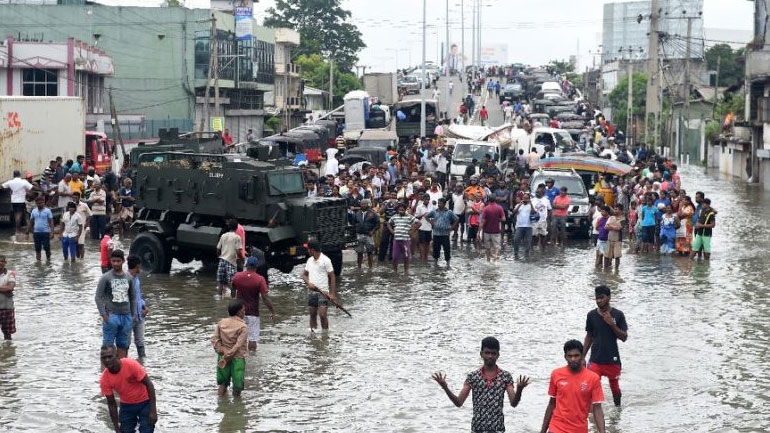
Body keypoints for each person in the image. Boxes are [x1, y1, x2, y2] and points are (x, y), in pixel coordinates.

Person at [432, 337, 530, 432]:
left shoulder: (505, 376)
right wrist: (445, 387)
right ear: (481, 354)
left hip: (497, 429)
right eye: (487, 353)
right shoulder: (473, 377)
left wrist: (520, 389)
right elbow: (459, 402)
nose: (490, 356)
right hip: (477, 428)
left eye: (493, 353)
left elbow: (513, 403)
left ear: (498, 355)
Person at [540, 340, 606, 433]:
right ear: (565, 357)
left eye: (576, 356)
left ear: (582, 356)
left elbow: (597, 408)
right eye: (569, 356)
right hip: (557, 427)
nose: (573, 359)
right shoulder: (556, 374)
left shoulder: (593, 378)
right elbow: (552, 404)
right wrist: (543, 431)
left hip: (579, 429)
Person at [582, 285, 628, 407]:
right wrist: (582, 356)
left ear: (609, 297)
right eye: (597, 298)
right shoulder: (591, 315)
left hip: (612, 360)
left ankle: (617, 415)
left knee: (615, 388)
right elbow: (589, 336)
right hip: (595, 360)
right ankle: (593, 415)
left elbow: (624, 337)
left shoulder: (618, 315)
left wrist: (612, 324)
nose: (599, 301)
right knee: (591, 387)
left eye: (601, 298)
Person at [100, 344, 158, 433]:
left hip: (145, 402)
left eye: (110, 356)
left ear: (117, 356)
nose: (107, 360)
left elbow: (149, 384)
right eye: (104, 358)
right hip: (126, 405)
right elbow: (111, 404)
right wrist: (116, 428)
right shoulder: (104, 378)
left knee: (146, 430)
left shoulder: (131, 364)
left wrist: (153, 411)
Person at [96, 250, 137, 360]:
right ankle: (104, 374)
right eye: (113, 261)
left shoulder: (129, 277)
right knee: (107, 347)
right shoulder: (105, 277)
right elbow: (98, 297)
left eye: (118, 261)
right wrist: (104, 314)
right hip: (111, 315)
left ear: (123, 261)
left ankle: (121, 372)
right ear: (110, 261)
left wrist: (134, 314)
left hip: (126, 316)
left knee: (123, 345)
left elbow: (133, 297)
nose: (115, 264)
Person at [233, 256, 276, 351]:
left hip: (238, 313)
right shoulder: (260, 279)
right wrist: (272, 311)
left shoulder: (237, 276)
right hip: (253, 313)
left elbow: (232, 293)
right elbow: (265, 298)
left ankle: (240, 358)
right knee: (252, 340)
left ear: (246, 265)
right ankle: (252, 362)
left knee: (238, 338)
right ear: (257, 267)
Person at [211, 299, 248, 397]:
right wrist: (230, 353)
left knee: (223, 383)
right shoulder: (243, 327)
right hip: (237, 358)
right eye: (244, 310)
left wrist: (222, 350)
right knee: (237, 386)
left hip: (222, 357)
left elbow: (215, 338)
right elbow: (239, 344)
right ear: (239, 312)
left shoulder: (221, 323)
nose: (245, 312)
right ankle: (236, 409)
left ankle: (221, 403)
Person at [302, 240, 337, 332]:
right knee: (312, 314)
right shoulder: (309, 260)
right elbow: (304, 275)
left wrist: (332, 294)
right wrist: (308, 283)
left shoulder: (326, 260)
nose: (307, 251)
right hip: (312, 291)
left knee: (322, 315)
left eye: (308, 249)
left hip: (323, 292)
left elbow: (332, 276)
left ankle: (325, 335)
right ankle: (313, 333)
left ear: (312, 250)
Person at [126, 255, 149, 359]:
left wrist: (144, 307)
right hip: (129, 316)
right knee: (126, 342)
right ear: (137, 266)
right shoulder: (125, 279)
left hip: (140, 315)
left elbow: (138, 296)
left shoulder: (136, 279)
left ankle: (142, 362)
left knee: (140, 341)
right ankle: (124, 362)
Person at [388, 203, 420, 274]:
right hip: (396, 240)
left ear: (405, 210)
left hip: (405, 240)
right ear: (397, 210)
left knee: (406, 257)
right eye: (399, 210)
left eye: (402, 210)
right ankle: (395, 271)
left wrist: (412, 231)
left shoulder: (409, 217)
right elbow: (389, 223)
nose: (401, 211)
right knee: (395, 257)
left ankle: (406, 271)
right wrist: (392, 231)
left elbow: (419, 223)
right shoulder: (394, 217)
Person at [426, 198, 459, 266]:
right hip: (436, 234)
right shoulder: (434, 211)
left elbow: (457, 219)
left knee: (447, 249)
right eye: (438, 203)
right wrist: (431, 222)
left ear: (444, 204)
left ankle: (448, 263)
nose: (439, 204)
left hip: (445, 234)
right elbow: (426, 216)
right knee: (436, 249)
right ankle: (435, 262)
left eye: (440, 203)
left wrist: (452, 227)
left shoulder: (449, 212)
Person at [216, 219, 242, 296]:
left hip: (222, 261)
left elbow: (218, 249)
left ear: (228, 226)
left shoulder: (223, 235)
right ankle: (233, 300)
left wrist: (219, 257)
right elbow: (238, 251)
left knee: (221, 283)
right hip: (231, 262)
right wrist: (241, 260)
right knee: (232, 284)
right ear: (237, 227)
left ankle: (220, 298)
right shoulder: (237, 237)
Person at [3, 170, 33, 235]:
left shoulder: (10, 182)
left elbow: (2, 186)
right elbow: (32, 187)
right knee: (19, 216)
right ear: (19, 175)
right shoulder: (23, 181)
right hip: (20, 201)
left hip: (13, 201)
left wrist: (7, 190)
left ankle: (18, 230)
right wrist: (42, 190)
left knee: (16, 215)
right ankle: (17, 231)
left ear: (14, 175)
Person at [353, 199, 379, 269]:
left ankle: (370, 268)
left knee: (370, 252)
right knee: (359, 252)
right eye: (362, 204)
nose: (363, 205)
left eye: (365, 204)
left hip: (368, 235)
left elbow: (377, 224)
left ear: (368, 204)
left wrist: (372, 231)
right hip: (359, 235)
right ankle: (359, 267)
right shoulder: (357, 213)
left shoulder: (373, 213)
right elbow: (354, 223)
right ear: (360, 205)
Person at [27, 196, 54, 261]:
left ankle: (48, 260)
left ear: (44, 202)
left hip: (46, 232)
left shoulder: (48, 211)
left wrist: (52, 232)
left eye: (41, 203)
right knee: (37, 249)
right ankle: (38, 262)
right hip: (36, 232)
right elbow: (31, 221)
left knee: (46, 247)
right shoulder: (33, 211)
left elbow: (51, 222)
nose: (40, 204)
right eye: (38, 203)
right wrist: (28, 231)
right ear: (36, 203)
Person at [480, 193, 506, 261]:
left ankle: (488, 260)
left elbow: (483, 221)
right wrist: (497, 219)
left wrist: (478, 232)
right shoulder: (499, 208)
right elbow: (504, 219)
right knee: (496, 247)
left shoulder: (485, 209)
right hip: (496, 231)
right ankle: (495, 260)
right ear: (495, 199)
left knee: (487, 248)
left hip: (487, 231)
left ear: (488, 199)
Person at [414, 193, 436, 262]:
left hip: (429, 227)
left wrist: (433, 223)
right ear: (423, 199)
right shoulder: (419, 207)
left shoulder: (432, 207)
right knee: (421, 243)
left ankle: (426, 257)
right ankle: (422, 257)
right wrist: (423, 215)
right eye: (425, 198)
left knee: (427, 243)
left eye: (427, 198)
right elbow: (416, 217)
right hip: (422, 227)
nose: (426, 200)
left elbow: (434, 216)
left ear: (429, 199)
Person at [0, 256, 17, 340]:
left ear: (5, 263)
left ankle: (8, 351)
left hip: (7, 308)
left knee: (7, 334)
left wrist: (7, 288)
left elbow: (10, 288)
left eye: (2, 261)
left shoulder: (10, 274)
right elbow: (7, 288)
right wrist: (4, 288)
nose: (0, 263)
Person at [71, 191, 92, 259]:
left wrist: (87, 223)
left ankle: (82, 260)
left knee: (81, 244)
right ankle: (78, 259)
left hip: (82, 227)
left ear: (79, 197)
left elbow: (90, 215)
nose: (75, 199)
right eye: (74, 198)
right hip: (73, 228)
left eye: (76, 197)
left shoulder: (84, 205)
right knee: (75, 245)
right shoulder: (71, 205)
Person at [603, 205, 624, 269]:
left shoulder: (623, 219)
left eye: (616, 209)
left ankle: (616, 270)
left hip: (617, 240)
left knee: (617, 257)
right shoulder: (611, 217)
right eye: (614, 209)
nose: (614, 211)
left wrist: (611, 226)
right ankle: (605, 270)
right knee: (606, 256)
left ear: (620, 210)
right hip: (609, 239)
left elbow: (619, 228)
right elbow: (605, 227)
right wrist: (613, 226)